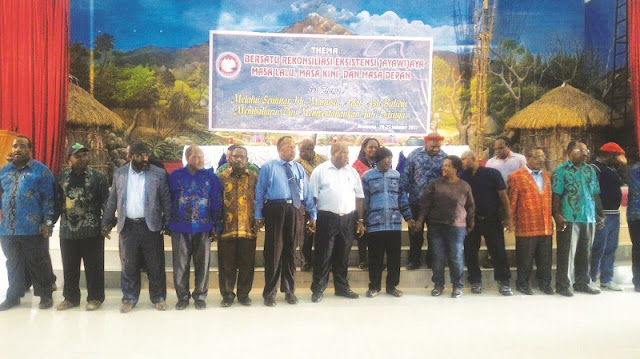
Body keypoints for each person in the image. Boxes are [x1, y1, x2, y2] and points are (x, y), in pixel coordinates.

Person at [102, 141, 172, 313]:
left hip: (151, 227)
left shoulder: (159, 174)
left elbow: (166, 200)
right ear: (130, 156)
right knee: (128, 265)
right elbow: (112, 200)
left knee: (155, 264)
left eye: (146, 155)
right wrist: (106, 222)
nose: (144, 159)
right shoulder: (120, 174)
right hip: (128, 227)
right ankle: (129, 298)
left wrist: (169, 222)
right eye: (139, 155)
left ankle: (158, 297)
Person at [254, 136, 316, 306]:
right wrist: (258, 215)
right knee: (273, 252)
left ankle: (289, 290)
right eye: (289, 147)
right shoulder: (269, 167)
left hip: (295, 210)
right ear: (279, 149)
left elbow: (307, 193)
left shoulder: (299, 168)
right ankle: (270, 293)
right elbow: (260, 192)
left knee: (291, 251)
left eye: (294, 146)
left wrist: (312, 214)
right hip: (275, 210)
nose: (293, 150)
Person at [0, 136, 56, 311]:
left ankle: (45, 295)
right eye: (15, 146)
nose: (17, 149)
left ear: (30, 150)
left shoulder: (41, 171)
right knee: (13, 263)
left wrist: (48, 222)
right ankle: (14, 296)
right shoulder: (4, 171)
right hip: (8, 228)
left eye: (22, 146)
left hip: (33, 227)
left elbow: (50, 198)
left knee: (38, 262)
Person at [54, 143, 109, 311]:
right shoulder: (61, 177)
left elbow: (106, 202)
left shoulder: (98, 177)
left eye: (85, 155)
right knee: (69, 267)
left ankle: (95, 298)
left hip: (92, 230)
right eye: (77, 156)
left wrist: (106, 224)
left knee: (94, 267)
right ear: (69, 158)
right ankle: (70, 298)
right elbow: (56, 203)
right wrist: (48, 222)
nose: (82, 159)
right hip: (67, 231)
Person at [168, 145, 222, 310]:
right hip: (180, 227)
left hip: (204, 227)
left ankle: (200, 296)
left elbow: (217, 201)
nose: (200, 160)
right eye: (196, 157)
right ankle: (182, 297)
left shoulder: (210, 177)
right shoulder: (175, 176)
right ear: (187, 158)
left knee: (202, 264)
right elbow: (168, 200)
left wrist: (217, 225)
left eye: (202, 157)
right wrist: (168, 223)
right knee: (180, 265)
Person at [309, 143, 364, 302]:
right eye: (342, 152)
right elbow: (313, 197)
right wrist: (313, 218)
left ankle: (342, 288)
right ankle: (318, 288)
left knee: (343, 255)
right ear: (333, 153)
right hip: (326, 218)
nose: (346, 155)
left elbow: (359, 197)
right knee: (323, 255)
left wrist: (360, 220)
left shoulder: (352, 172)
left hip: (347, 218)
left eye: (347, 152)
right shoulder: (320, 171)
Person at [415, 155, 474, 298]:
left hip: (457, 227)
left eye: (447, 166)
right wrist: (420, 221)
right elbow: (425, 204)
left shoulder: (464, 186)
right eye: (443, 165)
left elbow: (470, 206)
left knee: (456, 256)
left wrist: (471, 222)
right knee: (438, 256)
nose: (444, 168)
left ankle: (457, 286)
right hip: (436, 227)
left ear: (456, 168)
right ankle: (438, 285)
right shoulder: (435, 184)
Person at [552, 141, 604, 297]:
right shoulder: (561, 171)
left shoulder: (590, 170)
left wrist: (599, 215)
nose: (585, 153)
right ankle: (562, 285)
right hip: (569, 216)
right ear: (569, 152)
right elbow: (556, 194)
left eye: (586, 150)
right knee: (567, 253)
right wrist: (556, 215)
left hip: (588, 217)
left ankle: (582, 283)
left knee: (585, 252)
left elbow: (594, 193)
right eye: (580, 150)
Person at [362, 147, 415, 298]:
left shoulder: (396, 176)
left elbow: (402, 198)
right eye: (386, 159)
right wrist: (362, 221)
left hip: (393, 225)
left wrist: (409, 218)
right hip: (375, 225)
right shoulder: (368, 177)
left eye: (391, 159)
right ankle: (374, 287)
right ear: (378, 160)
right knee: (375, 258)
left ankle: (392, 286)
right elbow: (364, 201)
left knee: (394, 258)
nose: (389, 162)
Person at [460, 150, 513, 296]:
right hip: (471, 221)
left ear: (474, 159)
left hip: (492, 219)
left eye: (465, 159)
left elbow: (503, 196)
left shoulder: (492, 174)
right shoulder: (461, 176)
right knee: (470, 252)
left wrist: (508, 217)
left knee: (498, 252)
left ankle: (504, 282)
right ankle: (475, 281)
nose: (462, 162)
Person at [507, 147, 554, 295]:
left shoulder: (547, 176)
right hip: (526, 224)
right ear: (528, 158)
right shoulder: (516, 176)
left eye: (543, 157)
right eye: (538, 157)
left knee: (545, 258)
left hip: (545, 224)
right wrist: (510, 220)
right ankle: (522, 283)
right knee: (525, 258)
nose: (541, 160)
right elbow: (512, 201)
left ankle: (545, 284)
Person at [217, 146, 259, 307]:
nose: (239, 159)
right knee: (226, 264)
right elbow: (216, 201)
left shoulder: (254, 177)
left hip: (248, 228)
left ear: (247, 160)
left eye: (242, 157)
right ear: (229, 158)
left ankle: (243, 294)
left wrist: (259, 218)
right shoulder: (221, 177)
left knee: (247, 264)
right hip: (227, 228)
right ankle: (227, 295)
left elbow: (260, 198)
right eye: (235, 156)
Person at [401, 133, 447, 270]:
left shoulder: (444, 157)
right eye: (433, 146)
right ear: (426, 143)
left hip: (435, 203)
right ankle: (414, 260)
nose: (436, 148)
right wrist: (405, 198)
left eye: (438, 146)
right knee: (415, 233)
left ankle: (431, 260)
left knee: (434, 233)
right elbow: (406, 176)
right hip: (416, 201)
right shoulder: (414, 155)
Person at [590, 142, 627, 291]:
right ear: (609, 154)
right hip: (602, 214)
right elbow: (594, 192)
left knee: (611, 248)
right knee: (598, 248)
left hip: (614, 214)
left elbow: (623, 180)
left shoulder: (612, 168)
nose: (618, 159)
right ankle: (591, 278)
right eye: (616, 156)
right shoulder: (595, 168)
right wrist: (598, 215)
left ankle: (607, 278)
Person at [295, 138, 327, 271]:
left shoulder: (324, 161)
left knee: (323, 234)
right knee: (305, 234)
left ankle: (322, 261)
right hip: (305, 203)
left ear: (310, 150)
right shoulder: (296, 163)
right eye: (299, 150)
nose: (300, 153)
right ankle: (305, 260)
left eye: (302, 151)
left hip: (322, 201)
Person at [352, 137, 380, 270]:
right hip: (362, 203)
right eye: (370, 147)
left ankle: (375, 260)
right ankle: (362, 260)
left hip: (377, 203)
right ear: (364, 149)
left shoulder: (382, 163)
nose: (373, 150)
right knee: (362, 232)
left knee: (376, 234)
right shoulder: (357, 165)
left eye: (376, 147)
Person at [626, 162, 640, 293]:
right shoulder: (636, 170)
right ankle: (638, 281)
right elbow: (636, 191)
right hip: (636, 216)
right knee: (638, 248)